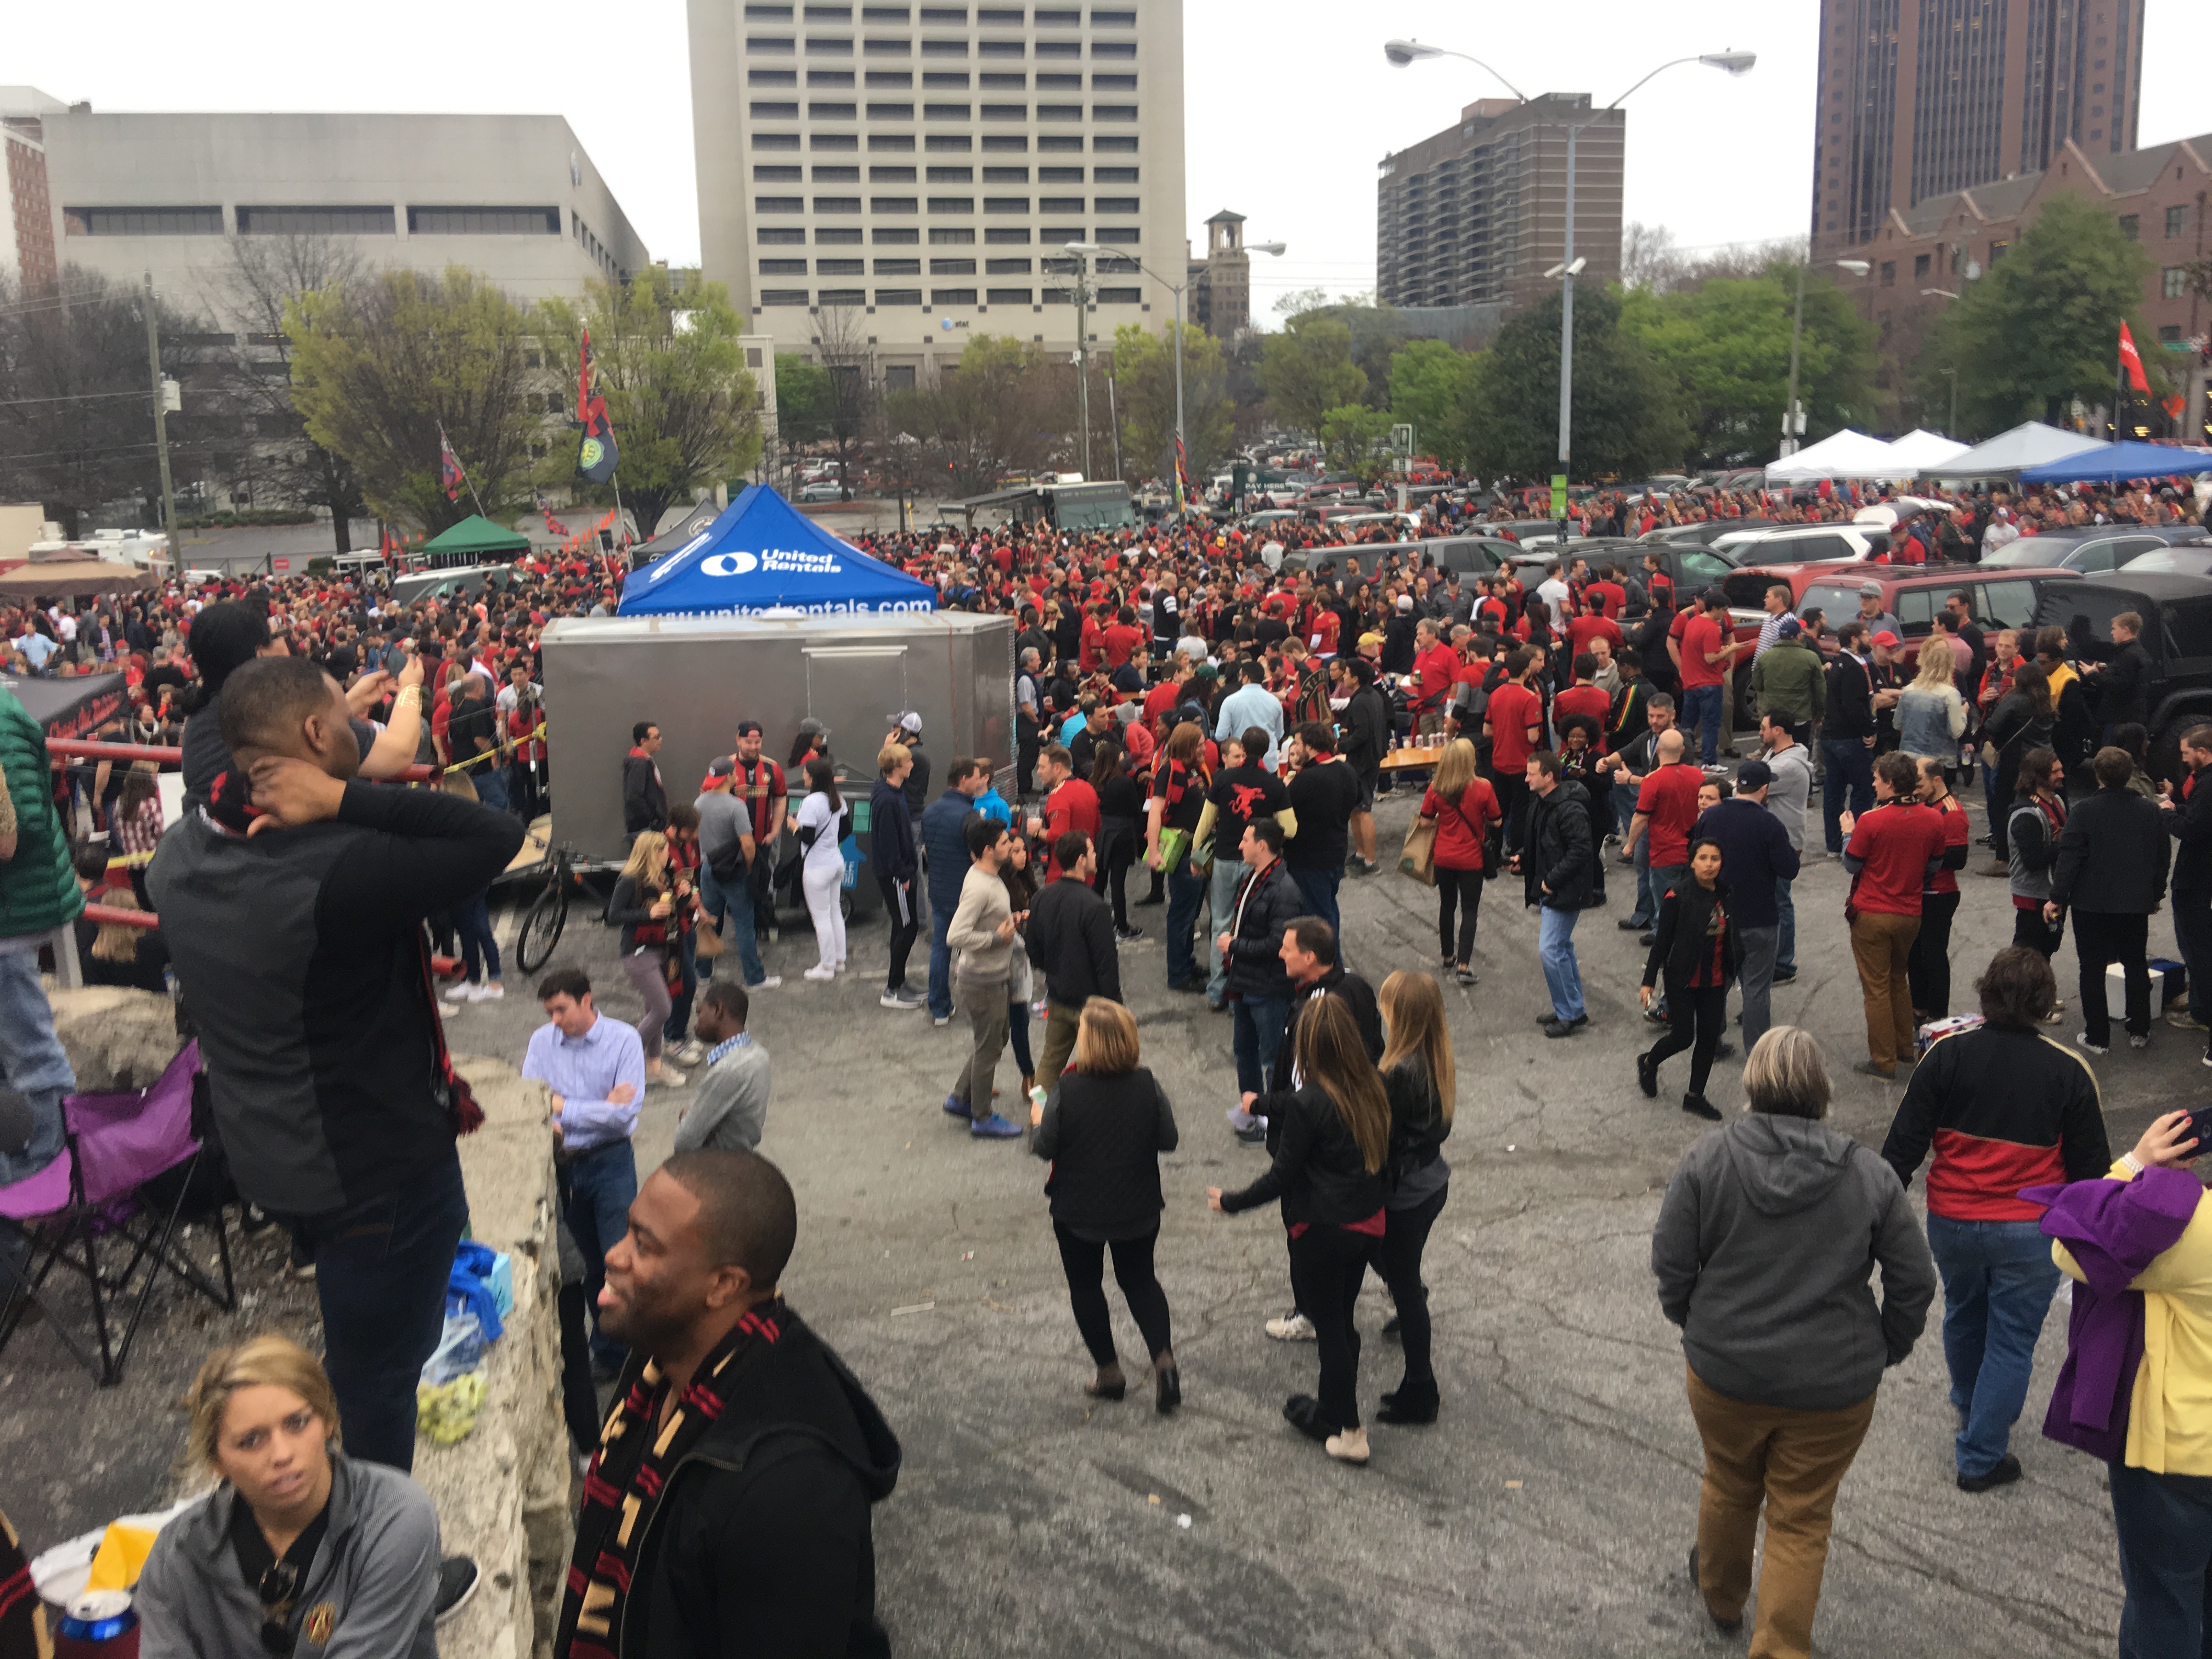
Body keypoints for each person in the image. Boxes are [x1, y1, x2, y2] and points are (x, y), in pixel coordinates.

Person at [149, 655, 524, 1472]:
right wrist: (347, 799)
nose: (367, 728)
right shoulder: (336, 872)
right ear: (318, 736)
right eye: (348, 718)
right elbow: (498, 835)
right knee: (380, 1377)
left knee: (361, 1332)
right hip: (377, 1170)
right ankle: (375, 1554)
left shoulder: (176, 856)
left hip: (269, 1155)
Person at [1652, 1025, 1935, 1656]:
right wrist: (1885, 1346)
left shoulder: (1707, 1161)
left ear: (1752, 1085)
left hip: (1725, 1373)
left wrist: (1697, 1325)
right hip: (1834, 1387)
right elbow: (1914, 1281)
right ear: (1822, 1091)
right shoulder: (1870, 1176)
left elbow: (1671, 1266)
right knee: (1801, 1518)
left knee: (1728, 1482)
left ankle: (1722, 1599)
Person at [553, 1149, 901, 1659]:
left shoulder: (789, 1488)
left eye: (644, 1246)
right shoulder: (659, 1360)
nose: (614, 1255)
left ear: (723, 1285)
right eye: (628, 1231)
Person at [1879, 946, 2108, 1491]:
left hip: (1953, 1220)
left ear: (1985, 995)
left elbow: (1903, 1147)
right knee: (2011, 1340)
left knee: (1963, 1313)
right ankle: (1981, 1454)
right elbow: (2091, 1176)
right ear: (2045, 1004)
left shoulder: (1945, 1056)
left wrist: (1876, 1222)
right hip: (2028, 1230)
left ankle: (1969, 1404)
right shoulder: (2069, 1072)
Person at [135, 1336, 459, 1656]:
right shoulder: (175, 1558)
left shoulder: (395, 1519)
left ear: (328, 1420)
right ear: (218, 1463)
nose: (281, 1454)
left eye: (297, 1423)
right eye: (250, 1441)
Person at [1209, 996, 1391, 1465]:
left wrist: (1231, 1201)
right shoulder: (1373, 1086)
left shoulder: (1310, 1104)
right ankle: (1333, 1410)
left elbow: (1281, 1176)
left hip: (1321, 1229)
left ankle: (1351, 1430)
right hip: (1367, 1222)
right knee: (1342, 1323)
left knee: (1329, 1329)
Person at [1031, 998, 1181, 1413]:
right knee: (1140, 1281)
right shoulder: (1146, 1083)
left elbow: (1045, 1147)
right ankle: (1164, 1360)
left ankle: (1109, 1372)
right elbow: (1169, 1139)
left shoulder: (1068, 1089)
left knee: (1086, 1286)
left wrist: (1038, 1116)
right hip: (1138, 1203)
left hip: (1079, 1208)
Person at [527, 968, 647, 1377]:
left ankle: (626, 1355)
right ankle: (606, 1352)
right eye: (550, 1012)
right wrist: (597, 1106)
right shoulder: (542, 1042)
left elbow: (624, 1117)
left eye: (561, 1010)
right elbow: (534, 1102)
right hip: (564, 1167)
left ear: (586, 1000)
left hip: (611, 1162)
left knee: (619, 1262)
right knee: (582, 1266)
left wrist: (564, 1106)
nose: (554, 1021)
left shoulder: (624, 1040)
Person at [1369, 970, 1454, 1425]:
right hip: (1430, 1181)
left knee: (1403, 1286)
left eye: (1386, 1005)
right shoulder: (1433, 1054)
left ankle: (1422, 1387)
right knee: (1396, 1265)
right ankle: (1410, 1294)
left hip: (1405, 1191)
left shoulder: (1399, 1070)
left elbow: (1380, 1137)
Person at [2049, 743, 2170, 1054]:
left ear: (2097, 774)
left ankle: (2097, 1035)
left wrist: (2058, 898)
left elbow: (2070, 857)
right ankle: (2139, 1028)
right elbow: (2161, 857)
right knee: (2135, 963)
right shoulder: (2149, 810)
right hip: (2133, 902)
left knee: (2091, 968)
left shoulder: (2084, 811)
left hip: (2092, 903)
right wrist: (2155, 893)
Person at [1840, 752, 1950, 1079]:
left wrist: (1848, 832)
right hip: (1910, 912)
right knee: (1898, 981)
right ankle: (1905, 1048)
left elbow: (1852, 864)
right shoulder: (1933, 819)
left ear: (1889, 783)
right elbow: (1934, 865)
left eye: (1876, 778)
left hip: (1873, 912)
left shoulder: (1872, 820)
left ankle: (1883, 1060)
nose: (1873, 783)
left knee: (1875, 988)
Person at [1694, 758, 1798, 1052]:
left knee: (1717, 983)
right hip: (1759, 918)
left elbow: (1696, 857)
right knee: (1755, 989)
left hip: (1718, 916)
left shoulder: (1711, 817)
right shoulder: (1769, 823)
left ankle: (1710, 1043)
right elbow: (1789, 869)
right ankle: (1757, 1052)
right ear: (1764, 789)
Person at [1637, 838, 1737, 1121]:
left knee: (1708, 1039)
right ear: (1692, 862)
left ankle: (1695, 1096)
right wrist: (1649, 981)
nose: (1709, 865)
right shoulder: (1677, 896)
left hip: (1716, 979)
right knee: (1683, 1037)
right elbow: (1661, 943)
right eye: (1703, 858)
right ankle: (1648, 1062)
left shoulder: (1726, 893)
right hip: (1682, 978)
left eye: (1715, 859)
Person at [1217, 817, 1306, 1118]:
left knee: (1273, 1058)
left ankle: (1276, 1118)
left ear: (1262, 846)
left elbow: (1277, 945)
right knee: (1244, 1052)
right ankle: (1251, 1109)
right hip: (1244, 984)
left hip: (1268, 989)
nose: (1240, 845)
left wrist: (1234, 947)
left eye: (1245, 840)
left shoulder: (1283, 890)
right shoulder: (1254, 876)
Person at [1198, 730, 1294, 1011]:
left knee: (1221, 922)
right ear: (1267, 751)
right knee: (1252, 928)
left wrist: (1196, 854)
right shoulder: (1274, 785)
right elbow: (1291, 828)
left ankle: (1217, 990)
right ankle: (1241, 988)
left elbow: (1206, 822)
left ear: (1242, 748)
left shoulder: (1223, 779)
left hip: (1227, 856)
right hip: (1260, 864)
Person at [944, 815, 1025, 1139]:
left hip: (992, 976)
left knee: (993, 1039)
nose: (1011, 846)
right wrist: (996, 939)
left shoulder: (987, 876)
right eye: (1006, 843)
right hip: (983, 979)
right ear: (989, 850)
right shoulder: (980, 887)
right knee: (990, 1046)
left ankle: (960, 1098)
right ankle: (982, 1116)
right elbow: (955, 934)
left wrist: (1011, 921)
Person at [1025, 831, 1122, 1091]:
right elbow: (1106, 965)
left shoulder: (1041, 898)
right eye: (1091, 852)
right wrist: (1115, 1008)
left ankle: (1039, 1117)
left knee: (1049, 1063)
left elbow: (1033, 949)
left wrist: (1055, 970)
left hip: (1057, 997)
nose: (1095, 856)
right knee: (1100, 1066)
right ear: (1081, 860)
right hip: (1091, 1008)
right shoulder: (1095, 907)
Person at [1519, 751, 1598, 1039]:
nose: (1526, 778)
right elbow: (1543, 841)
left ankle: (1569, 1013)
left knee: (1550, 950)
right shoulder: (1543, 802)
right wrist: (1522, 858)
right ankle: (1570, 1007)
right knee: (1561, 948)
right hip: (1556, 887)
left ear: (1549, 776)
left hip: (1565, 890)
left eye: (1531, 774)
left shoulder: (1569, 809)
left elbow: (1581, 850)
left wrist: (1550, 881)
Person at [607, 831, 689, 1084]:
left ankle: (655, 1067)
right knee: (663, 1009)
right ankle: (620, 1062)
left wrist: (683, 897)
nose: (670, 856)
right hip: (638, 952)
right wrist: (648, 914)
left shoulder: (662, 878)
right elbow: (613, 916)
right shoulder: (630, 880)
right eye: (666, 851)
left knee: (653, 1009)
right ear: (655, 852)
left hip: (661, 949)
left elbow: (671, 912)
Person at [1418, 737, 1501, 985]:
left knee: (1447, 905)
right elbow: (1496, 820)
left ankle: (1447, 955)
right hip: (1472, 858)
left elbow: (1424, 821)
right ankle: (1464, 965)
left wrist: (1443, 821)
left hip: (1444, 856)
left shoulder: (1435, 788)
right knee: (1470, 910)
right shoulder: (1483, 787)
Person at [921, 758, 989, 1025]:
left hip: (938, 890)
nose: (980, 781)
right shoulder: (969, 816)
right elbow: (980, 855)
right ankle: (982, 1004)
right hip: (967, 894)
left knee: (941, 947)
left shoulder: (930, 811)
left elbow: (928, 850)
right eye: (976, 777)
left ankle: (939, 1007)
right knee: (980, 948)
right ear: (963, 780)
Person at [1906, 755, 1972, 1021]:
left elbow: (1958, 858)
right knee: (1915, 956)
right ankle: (1919, 1007)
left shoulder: (1951, 812)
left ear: (1937, 780)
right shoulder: (1926, 804)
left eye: (1919, 781)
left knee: (1933, 957)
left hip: (1939, 894)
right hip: (1920, 892)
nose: (1915, 786)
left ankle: (1938, 1014)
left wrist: (1920, 856)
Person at [1146, 723, 1211, 988]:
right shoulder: (1169, 770)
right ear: (1186, 745)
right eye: (1199, 744)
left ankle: (1187, 963)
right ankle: (1179, 974)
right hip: (1181, 850)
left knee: (1191, 911)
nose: (1204, 747)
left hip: (1200, 849)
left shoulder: (1197, 769)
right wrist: (1152, 851)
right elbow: (1155, 811)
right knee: (1182, 913)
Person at [674, 980, 772, 1154]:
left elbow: (684, 1142)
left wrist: (685, 1116)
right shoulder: (760, 1055)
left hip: (716, 1165)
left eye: (699, 1013)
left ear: (718, 1010)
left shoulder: (729, 1069)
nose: (696, 1024)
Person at [1282, 723, 1359, 941]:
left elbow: (1286, 809)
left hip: (1309, 859)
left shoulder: (1308, 779)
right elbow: (1358, 798)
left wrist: (1288, 786)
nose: (1294, 748)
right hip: (1336, 853)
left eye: (1297, 743)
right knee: (1329, 909)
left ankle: (1328, 969)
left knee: (1316, 921)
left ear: (1309, 746)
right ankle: (1334, 965)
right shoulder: (1347, 770)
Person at [2162, 724, 2212, 1063]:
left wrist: (2168, 817)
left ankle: (2201, 1011)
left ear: (2201, 752)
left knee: (2196, 944)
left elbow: (2195, 830)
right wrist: (2179, 808)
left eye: (2185, 753)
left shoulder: (2207, 785)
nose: (2183, 759)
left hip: (2196, 879)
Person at [1628, 727, 1701, 946]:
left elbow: (1641, 817)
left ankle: (1666, 945)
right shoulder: (1697, 776)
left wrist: (1630, 844)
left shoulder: (1653, 780)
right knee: (1691, 901)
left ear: (1658, 750)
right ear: (1683, 750)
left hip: (1664, 852)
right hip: (1692, 849)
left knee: (1666, 903)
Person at [1980, 662, 2055, 872]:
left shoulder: (2015, 700)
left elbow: (1992, 726)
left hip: (2016, 762)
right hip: (2042, 759)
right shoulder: (2046, 702)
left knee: (2003, 806)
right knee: (2037, 805)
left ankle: (2003, 858)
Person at [1758, 715, 1814, 984]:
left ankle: (1783, 964)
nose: (1760, 731)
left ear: (1777, 731)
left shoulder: (1789, 766)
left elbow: (1752, 787)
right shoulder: (1774, 753)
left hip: (1785, 842)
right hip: (1774, 839)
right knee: (1772, 899)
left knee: (1781, 901)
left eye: (1763, 727)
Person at [870, 743, 923, 1009]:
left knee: (902, 925)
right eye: (908, 761)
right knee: (907, 927)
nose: (912, 765)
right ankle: (892, 989)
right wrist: (903, 874)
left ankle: (899, 981)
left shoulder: (889, 790)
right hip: (896, 875)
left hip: (897, 871)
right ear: (897, 766)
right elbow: (889, 843)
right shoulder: (888, 799)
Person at [730, 720, 788, 963]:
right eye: (748, 742)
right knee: (732, 893)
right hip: (733, 847)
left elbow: (780, 798)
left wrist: (775, 831)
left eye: (757, 742)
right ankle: (712, 949)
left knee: (759, 890)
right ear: (738, 740)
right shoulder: (726, 766)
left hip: (762, 844)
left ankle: (756, 935)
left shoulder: (772, 768)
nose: (753, 747)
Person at [1820, 621, 1880, 855]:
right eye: (1866, 635)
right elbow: (1854, 706)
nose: (1870, 638)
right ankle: (1855, 843)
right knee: (1864, 789)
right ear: (1855, 639)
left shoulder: (1840, 664)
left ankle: (1834, 845)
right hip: (1850, 738)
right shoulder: (1853, 668)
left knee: (1833, 791)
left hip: (1831, 737)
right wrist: (1869, 730)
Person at [789, 757, 850, 984]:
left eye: (806, 773)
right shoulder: (837, 798)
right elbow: (846, 829)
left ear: (813, 777)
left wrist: (793, 826)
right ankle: (839, 959)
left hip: (817, 867)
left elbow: (806, 837)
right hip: (836, 861)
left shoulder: (811, 803)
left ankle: (826, 966)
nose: (803, 776)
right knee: (835, 911)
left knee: (821, 918)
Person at [1677, 590, 1743, 765]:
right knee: (1710, 725)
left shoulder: (1692, 622)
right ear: (1715, 608)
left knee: (1688, 725)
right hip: (1709, 683)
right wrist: (1731, 649)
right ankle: (1710, 763)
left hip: (1691, 682)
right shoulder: (1711, 628)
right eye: (1724, 610)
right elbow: (1710, 658)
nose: (1725, 614)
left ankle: (1682, 759)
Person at [1897, 636, 1968, 783]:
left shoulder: (1908, 690)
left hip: (1909, 758)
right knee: (1938, 804)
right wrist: (1963, 714)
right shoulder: (1950, 693)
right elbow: (1956, 732)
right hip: (1940, 761)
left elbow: (1897, 724)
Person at [623, 720, 669, 834]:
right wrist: (653, 819)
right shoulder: (639, 763)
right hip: (645, 829)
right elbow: (634, 797)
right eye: (656, 737)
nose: (661, 740)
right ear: (643, 741)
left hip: (646, 828)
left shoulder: (642, 761)